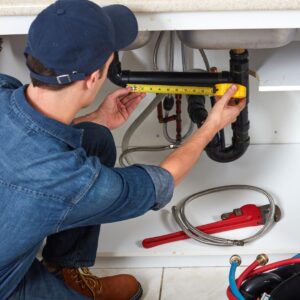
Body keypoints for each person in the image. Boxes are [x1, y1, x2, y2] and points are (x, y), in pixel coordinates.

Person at [0, 0, 246, 299]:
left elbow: (28, 150)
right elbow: (161, 180)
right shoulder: (69, 181)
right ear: (94, 78)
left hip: (9, 250)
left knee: (94, 136)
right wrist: (212, 125)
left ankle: (62, 270)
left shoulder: (4, 89)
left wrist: (96, 119)